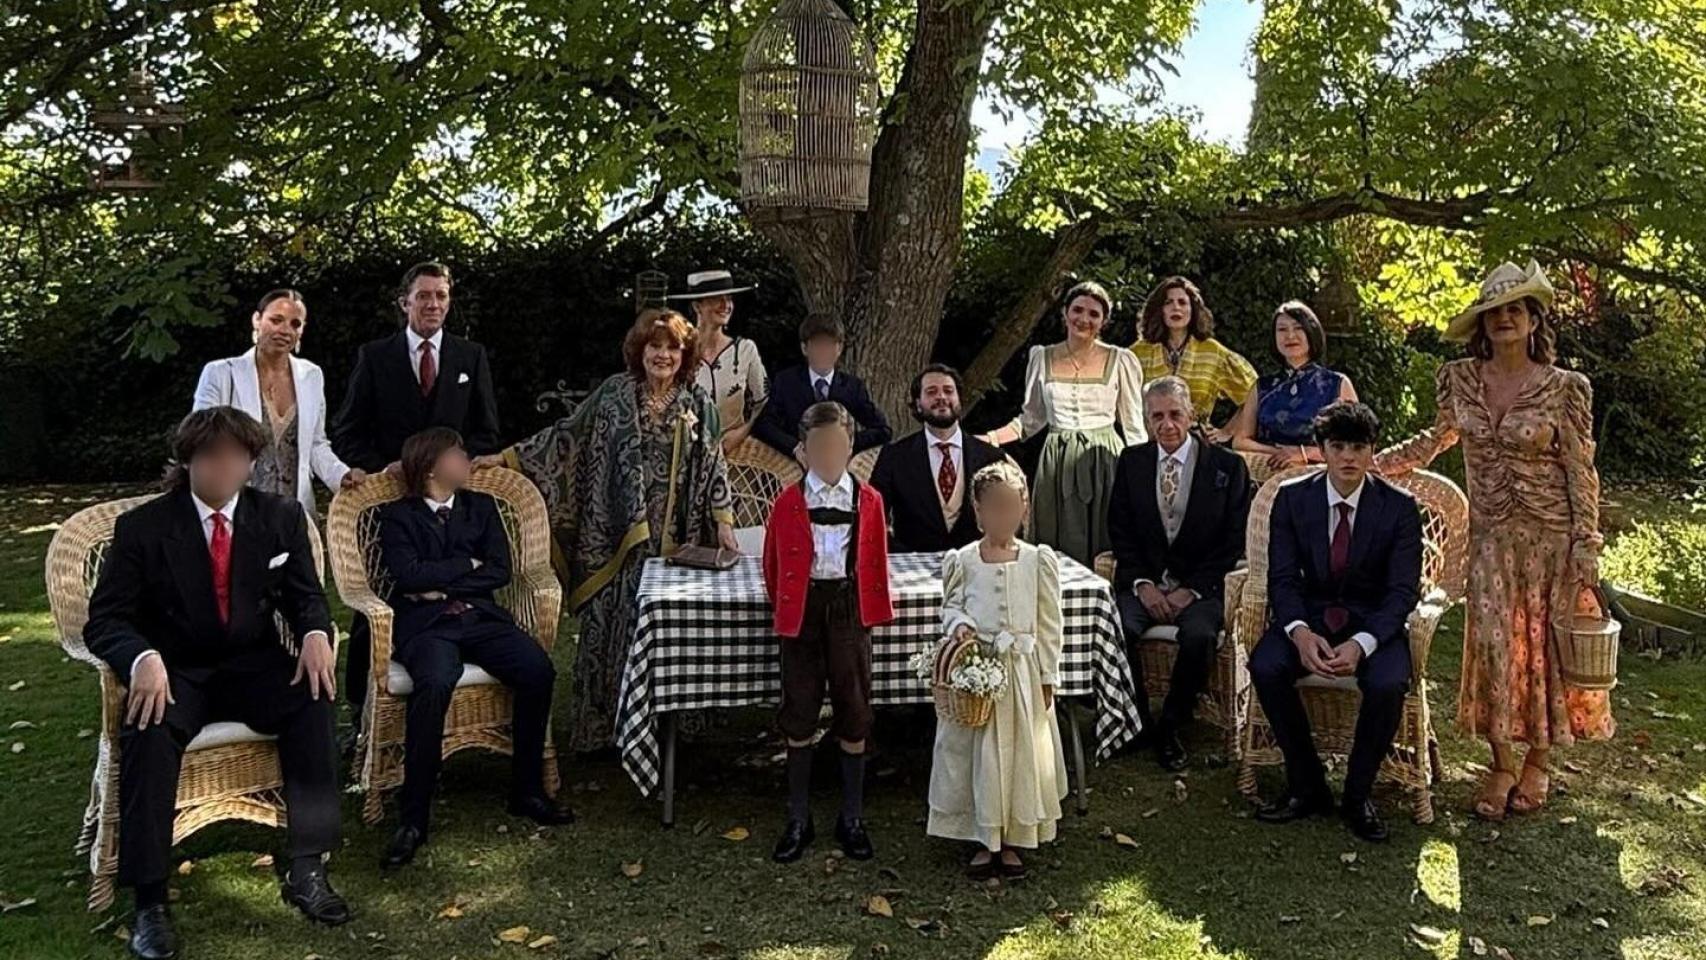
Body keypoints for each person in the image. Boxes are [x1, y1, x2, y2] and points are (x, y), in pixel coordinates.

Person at [84, 408, 349, 959]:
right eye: (212, 455)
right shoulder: (145, 528)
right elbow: (104, 619)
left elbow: (304, 596)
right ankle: (150, 902)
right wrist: (141, 657)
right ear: (188, 461)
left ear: (252, 462)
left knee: (314, 696)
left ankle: (308, 866)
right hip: (177, 669)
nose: (225, 466)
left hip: (254, 663)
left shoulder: (278, 516)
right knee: (147, 726)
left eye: (237, 455)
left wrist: (318, 632)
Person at [1376, 260, 1612, 821]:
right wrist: (1369, 465)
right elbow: (1436, 440)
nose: (1505, 319)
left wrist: (1587, 544)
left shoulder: (1565, 388)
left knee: (1545, 653)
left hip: (1550, 540)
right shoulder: (1460, 379)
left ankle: (1539, 761)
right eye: (1494, 312)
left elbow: (1581, 470)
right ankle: (1501, 761)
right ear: (1482, 325)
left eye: (1516, 310)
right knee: (1494, 650)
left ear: (1534, 320)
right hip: (1490, 540)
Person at [484, 309, 737, 753]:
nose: (662, 355)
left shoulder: (698, 404)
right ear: (639, 351)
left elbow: (715, 465)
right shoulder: (613, 395)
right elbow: (564, 439)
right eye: (654, 346)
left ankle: (671, 729)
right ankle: (607, 726)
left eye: (672, 348)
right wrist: (505, 459)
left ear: (685, 355)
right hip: (618, 539)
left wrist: (724, 523)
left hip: (678, 542)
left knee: (674, 632)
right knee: (615, 626)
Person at [377, 428, 573, 870]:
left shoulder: (481, 508)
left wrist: (439, 580)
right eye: (457, 454)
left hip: (481, 618)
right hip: (428, 628)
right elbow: (407, 577)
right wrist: (465, 566)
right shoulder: (397, 517)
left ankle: (527, 791)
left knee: (538, 670)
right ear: (431, 467)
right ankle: (413, 818)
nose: (467, 461)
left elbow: (500, 571)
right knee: (434, 682)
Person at [330, 261, 502, 738]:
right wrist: (385, 469)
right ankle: (363, 716)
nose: (433, 304)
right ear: (404, 301)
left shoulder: (471, 357)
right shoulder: (375, 356)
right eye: (424, 296)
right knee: (376, 602)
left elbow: (486, 430)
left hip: (451, 505)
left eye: (441, 296)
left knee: (454, 593)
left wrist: (461, 464)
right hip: (389, 506)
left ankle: (454, 689)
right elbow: (347, 431)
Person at [1247, 401, 1422, 843]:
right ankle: (1306, 786)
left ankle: (1357, 794)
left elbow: (1402, 592)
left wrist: (1363, 643)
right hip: (1309, 616)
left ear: (1371, 452)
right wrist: (1300, 633)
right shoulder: (1291, 499)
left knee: (1387, 683)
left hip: (1372, 624)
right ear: (1322, 449)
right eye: (1338, 446)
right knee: (1266, 666)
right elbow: (1282, 578)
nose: (1348, 457)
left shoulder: (1399, 508)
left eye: (1358, 447)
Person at [762, 402, 895, 863]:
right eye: (819, 447)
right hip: (803, 611)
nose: (828, 454)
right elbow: (773, 564)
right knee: (798, 707)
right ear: (803, 450)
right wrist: (789, 604)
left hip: (848, 609)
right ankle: (799, 818)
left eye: (837, 446)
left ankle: (851, 816)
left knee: (853, 706)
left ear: (850, 446)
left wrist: (864, 606)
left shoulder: (870, 501)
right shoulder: (787, 501)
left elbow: (874, 556)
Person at [928, 461, 1067, 880]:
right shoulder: (964, 560)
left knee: (1019, 754)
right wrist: (960, 625)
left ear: (1024, 508)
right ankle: (980, 835)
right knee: (979, 755)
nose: (1003, 517)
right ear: (978, 511)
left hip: (1021, 675)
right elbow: (949, 606)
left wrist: (1047, 676)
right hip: (980, 673)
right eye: (994, 509)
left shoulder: (1038, 561)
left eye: (1011, 507)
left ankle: (1012, 838)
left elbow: (1049, 623)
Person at [1107, 377, 1251, 771]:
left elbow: (1232, 542)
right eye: (1157, 416)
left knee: (1201, 636)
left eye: (1174, 414)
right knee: (1117, 627)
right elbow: (1120, 531)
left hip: (1201, 587)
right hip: (1146, 583)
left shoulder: (1227, 467)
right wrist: (1143, 585)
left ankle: (1172, 724)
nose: (1166, 424)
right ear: (1147, 420)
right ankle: (1136, 721)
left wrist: (1192, 590)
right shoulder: (1132, 462)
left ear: (1191, 415)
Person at [980, 281, 1147, 566]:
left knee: (1108, 541)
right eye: (1078, 310)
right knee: (1054, 548)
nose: (1084, 319)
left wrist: (1144, 472)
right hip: (1056, 463)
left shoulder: (1121, 360)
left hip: (1106, 460)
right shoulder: (1042, 357)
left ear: (1103, 321)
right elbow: (1031, 420)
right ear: (1065, 313)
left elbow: (1133, 425)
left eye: (1094, 314)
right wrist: (991, 438)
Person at [193, 288, 367, 521]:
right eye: (276, 320)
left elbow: (315, 444)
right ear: (257, 320)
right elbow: (200, 441)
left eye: (295, 324)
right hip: (236, 511)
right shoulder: (221, 373)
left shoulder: (312, 375)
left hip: (294, 512)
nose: (285, 330)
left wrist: (341, 475)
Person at [868, 364, 1006, 554]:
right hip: (912, 567)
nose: (941, 397)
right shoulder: (894, 457)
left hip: (978, 565)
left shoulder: (991, 457)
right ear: (918, 403)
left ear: (959, 399)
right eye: (931, 392)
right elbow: (872, 519)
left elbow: (1008, 519)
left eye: (948, 391)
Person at [1229, 301, 1359, 472]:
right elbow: (1240, 441)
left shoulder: (1337, 383)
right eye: (1282, 329)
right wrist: (1279, 453)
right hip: (1266, 475)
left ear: (1311, 333)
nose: (1290, 336)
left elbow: (1357, 443)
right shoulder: (1263, 387)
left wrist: (1303, 453)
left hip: (1321, 479)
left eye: (1298, 328)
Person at [1128, 277, 1257, 443]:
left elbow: (1255, 395)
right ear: (1160, 310)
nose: (1176, 307)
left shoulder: (1213, 352)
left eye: (1182, 302)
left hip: (1197, 443)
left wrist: (1226, 431)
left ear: (1192, 309)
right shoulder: (1139, 352)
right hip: (1150, 443)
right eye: (1168, 302)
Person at [753, 313, 891, 459]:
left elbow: (883, 430)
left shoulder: (852, 387)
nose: (824, 351)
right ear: (804, 348)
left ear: (839, 349)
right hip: (795, 464)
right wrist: (795, 447)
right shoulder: (786, 382)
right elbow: (764, 425)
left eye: (830, 344)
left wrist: (843, 444)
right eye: (818, 344)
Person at [672, 269, 770, 452]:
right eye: (716, 298)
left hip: (736, 457)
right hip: (685, 455)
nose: (725, 305)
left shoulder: (745, 350)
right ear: (697, 306)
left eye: (729, 299)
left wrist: (742, 432)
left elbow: (763, 405)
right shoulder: (679, 351)